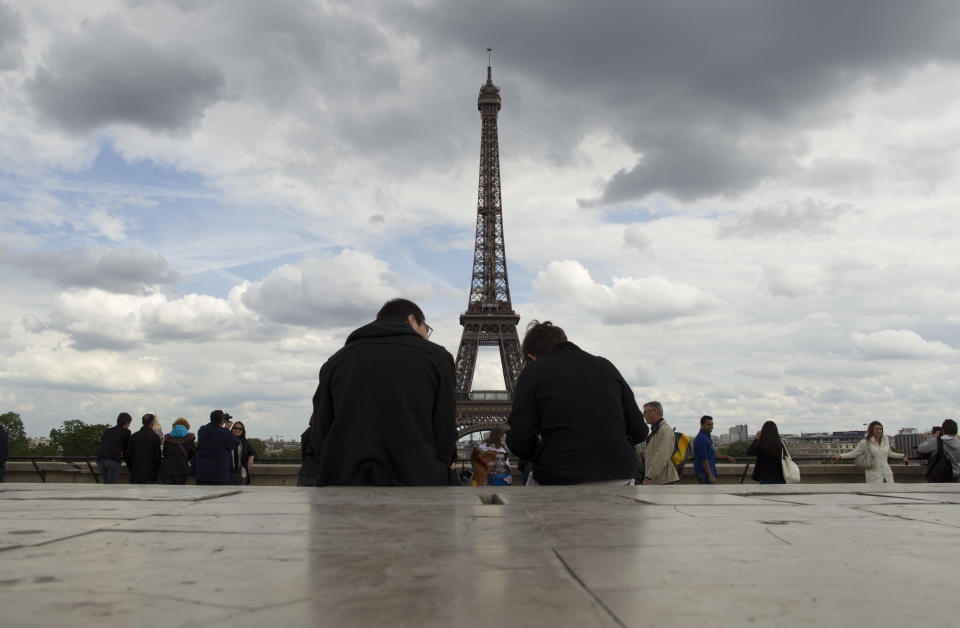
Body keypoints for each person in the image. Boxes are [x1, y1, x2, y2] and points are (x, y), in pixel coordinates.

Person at [309, 298, 458, 485]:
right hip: (417, 482)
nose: (427, 336)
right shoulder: (437, 358)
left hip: (345, 483)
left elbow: (320, 430)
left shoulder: (336, 361)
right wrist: (435, 467)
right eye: (426, 329)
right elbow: (445, 428)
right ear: (412, 320)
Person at [506, 321, 648, 485]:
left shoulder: (534, 371)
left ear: (532, 357)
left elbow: (520, 440)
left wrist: (545, 454)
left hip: (560, 476)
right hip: (620, 475)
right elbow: (639, 430)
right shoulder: (606, 366)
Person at [832, 421, 909, 483]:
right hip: (873, 474)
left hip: (887, 473)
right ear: (871, 430)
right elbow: (854, 453)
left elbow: (890, 453)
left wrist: (903, 456)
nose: (879, 431)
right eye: (876, 429)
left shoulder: (885, 441)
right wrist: (840, 456)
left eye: (880, 429)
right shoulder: (865, 442)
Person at [194, 409, 241, 485]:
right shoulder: (224, 433)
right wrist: (226, 429)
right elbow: (236, 442)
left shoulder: (202, 430)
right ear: (223, 421)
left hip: (202, 472)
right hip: (219, 474)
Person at [639, 401, 679, 485]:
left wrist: (649, 477)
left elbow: (661, 456)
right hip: (659, 479)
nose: (644, 415)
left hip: (663, 480)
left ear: (655, 411)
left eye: (645, 412)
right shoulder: (657, 430)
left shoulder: (664, 430)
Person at [693, 415, 736, 484]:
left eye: (712, 424)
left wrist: (727, 457)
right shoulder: (702, 438)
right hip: (704, 473)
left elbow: (712, 454)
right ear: (702, 425)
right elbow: (703, 459)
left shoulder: (706, 437)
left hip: (707, 472)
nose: (711, 426)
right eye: (708, 425)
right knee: (707, 493)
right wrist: (710, 475)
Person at [96, 413, 132, 484]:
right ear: (127, 423)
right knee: (111, 486)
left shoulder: (107, 431)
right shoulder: (126, 432)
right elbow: (126, 449)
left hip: (100, 459)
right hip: (112, 459)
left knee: (106, 484)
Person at [125, 414, 162, 484]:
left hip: (135, 474)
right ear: (152, 423)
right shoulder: (155, 437)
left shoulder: (134, 436)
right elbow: (157, 457)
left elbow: (128, 455)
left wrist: (132, 469)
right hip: (149, 474)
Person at [158, 418, 196, 485]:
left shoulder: (167, 438)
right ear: (187, 427)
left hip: (166, 470)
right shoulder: (189, 439)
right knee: (179, 493)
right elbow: (192, 456)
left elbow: (165, 453)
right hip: (181, 470)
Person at [229, 421, 255, 485]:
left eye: (240, 429)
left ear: (242, 431)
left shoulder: (244, 442)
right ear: (232, 429)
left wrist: (252, 457)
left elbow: (253, 452)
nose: (237, 430)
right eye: (235, 428)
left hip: (240, 473)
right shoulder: (227, 440)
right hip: (228, 473)